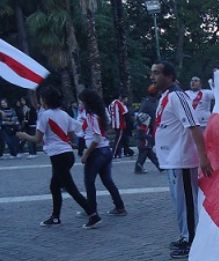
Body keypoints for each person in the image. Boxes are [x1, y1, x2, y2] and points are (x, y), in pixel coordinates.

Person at [150, 61, 213, 258]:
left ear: (169, 76)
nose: (152, 77)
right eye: (151, 73)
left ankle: (193, 240)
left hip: (182, 159)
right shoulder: (166, 97)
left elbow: (193, 126)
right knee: (180, 202)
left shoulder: (177, 97)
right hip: (172, 160)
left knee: (187, 202)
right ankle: (185, 235)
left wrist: (203, 157)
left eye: (156, 73)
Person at [16, 87, 99, 227]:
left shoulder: (44, 115)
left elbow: (37, 138)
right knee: (54, 186)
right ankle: (55, 217)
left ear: (46, 100)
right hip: (67, 154)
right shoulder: (64, 114)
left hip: (58, 156)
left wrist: (24, 136)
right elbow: (73, 132)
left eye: (42, 98)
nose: (41, 101)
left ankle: (93, 214)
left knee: (71, 188)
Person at [79, 89, 127, 226]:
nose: (80, 104)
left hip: (96, 152)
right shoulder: (101, 112)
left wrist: (86, 154)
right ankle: (119, 206)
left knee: (89, 182)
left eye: (81, 101)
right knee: (107, 180)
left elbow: (96, 138)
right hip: (106, 150)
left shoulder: (91, 116)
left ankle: (92, 213)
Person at [135, 84, 161, 174]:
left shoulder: (149, 102)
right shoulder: (150, 103)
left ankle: (159, 165)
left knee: (147, 149)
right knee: (145, 149)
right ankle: (138, 167)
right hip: (145, 130)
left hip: (146, 129)